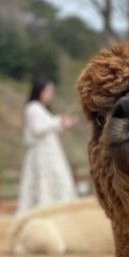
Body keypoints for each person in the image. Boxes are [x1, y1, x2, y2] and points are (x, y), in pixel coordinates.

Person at [16, 76, 77, 214]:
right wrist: (58, 121)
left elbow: (50, 129)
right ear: (39, 90)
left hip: (51, 152)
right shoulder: (32, 108)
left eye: (52, 92)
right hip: (40, 154)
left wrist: (63, 124)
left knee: (57, 181)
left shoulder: (44, 110)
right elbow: (38, 129)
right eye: (48, 91)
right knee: (42, 183)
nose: (50, 95)